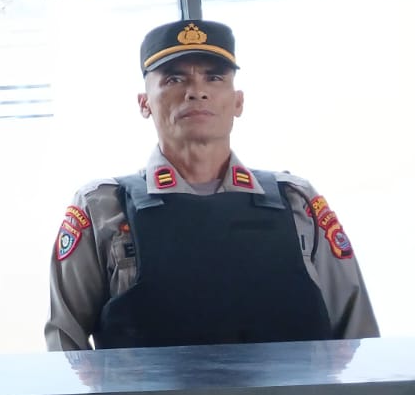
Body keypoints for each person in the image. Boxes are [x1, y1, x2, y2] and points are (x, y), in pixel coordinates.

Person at [46, 19, 378, 350]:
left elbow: (358, 340)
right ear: (144, 103)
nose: (196, 91)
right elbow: (65, 344)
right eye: (174, 79)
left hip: (296, 389)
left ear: (238, 101)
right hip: (146, 390)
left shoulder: (297, 202)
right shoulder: (102, 208)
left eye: (214, 77)